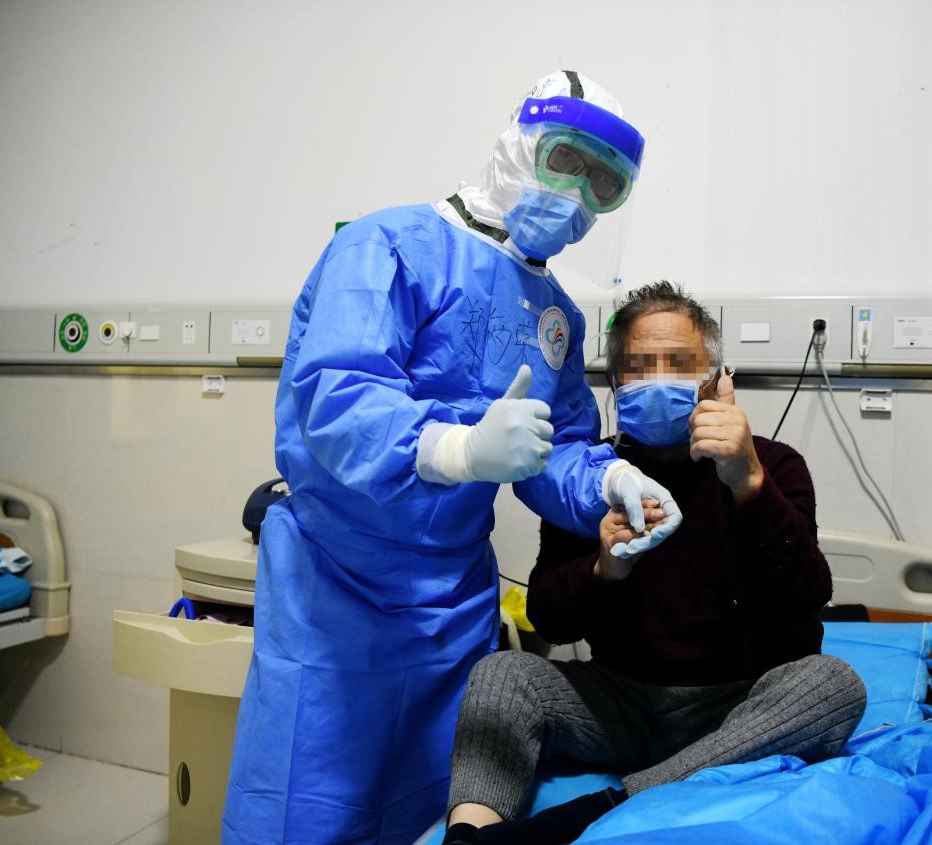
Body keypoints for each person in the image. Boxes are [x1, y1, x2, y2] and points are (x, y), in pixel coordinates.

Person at [222, 74, 684, 845]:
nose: (576, 195)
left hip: (454, 600)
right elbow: (336, 398)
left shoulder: (555, 315)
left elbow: (554, 448)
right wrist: (459, 447)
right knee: (309, 802)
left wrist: (606, 477)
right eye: (565, 160)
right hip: (336, 586)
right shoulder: (386, 246)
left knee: (436, 804)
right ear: (518, 144)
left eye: (602, 183)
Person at [440, 282, 867, 845]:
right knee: (503, 673)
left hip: (739, 705)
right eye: (639, 366)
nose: (659, 379)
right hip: (621, 704)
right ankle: (469, 836)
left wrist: (748, 483)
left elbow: (806, 596)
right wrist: (603, 570)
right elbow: (548, 619)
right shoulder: (590, 476)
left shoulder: (772, 465)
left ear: (715, 378)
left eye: (679, 364)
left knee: (833, 684)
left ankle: (614, 804)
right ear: (616, 383)